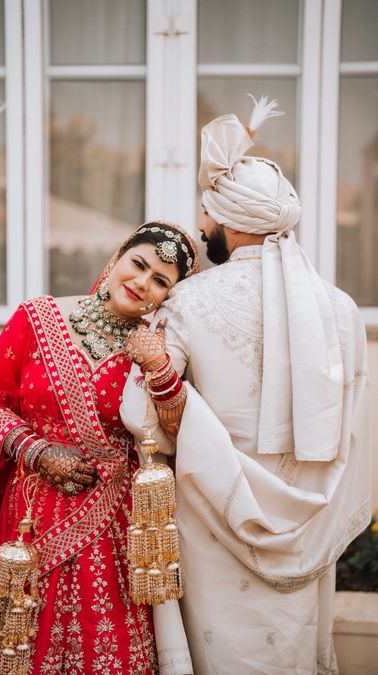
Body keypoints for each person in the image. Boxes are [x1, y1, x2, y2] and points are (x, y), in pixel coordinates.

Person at [121, 97, 371, 674]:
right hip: (308, 529)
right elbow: (353, 434)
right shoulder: (341, 310)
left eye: (205, 215)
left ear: (229, 221)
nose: (202, 227)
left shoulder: (188, 300)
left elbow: (141, 415)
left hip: (212, 521)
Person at [0, 222, 199, 674]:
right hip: (30, 519)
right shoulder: (38, 318)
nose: (141, 282)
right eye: (138, 264)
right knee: (19, 645)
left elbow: (177, 431)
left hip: (111, 527)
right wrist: (36, 450)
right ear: (118, 257)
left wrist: (158, 367)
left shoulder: (157, 346)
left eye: (160, 281)